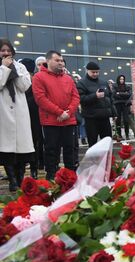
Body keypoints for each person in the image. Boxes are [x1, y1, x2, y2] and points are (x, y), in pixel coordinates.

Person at [32, 50, 80, 180]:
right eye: (57, 60)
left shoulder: (68, 78)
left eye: (61, 60)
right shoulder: (38, 77)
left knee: (70, 149)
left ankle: (71, 175)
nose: (60, 63)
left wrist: (68, 113)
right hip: (51, 122)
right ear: (48, 61)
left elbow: (75, 97)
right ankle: (52, 176)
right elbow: (41, 99)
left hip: (68, 121)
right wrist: (60, 112)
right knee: (52, 150)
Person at [0, 40, 35, 191]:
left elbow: (25, 86)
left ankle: (20, 179)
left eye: (8, 50)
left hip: (20, 111)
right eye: (3, 50)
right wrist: (4, 68)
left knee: (22, 148)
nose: (6, 53)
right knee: (7, 149)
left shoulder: (21, 67)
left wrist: (14, 69)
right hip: (3, 112)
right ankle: (12, 181)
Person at [76, 62, 116, 147]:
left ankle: (108, 160)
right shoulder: (81, 83)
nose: (95, 74)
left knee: (107, 143)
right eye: (93, 72)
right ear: (87, 71)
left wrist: (114, 113)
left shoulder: (104, 82)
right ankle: (94, 160)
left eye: (97, 72)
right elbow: (81, 99)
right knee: (93, 143)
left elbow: (110, 98)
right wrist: (95, 96)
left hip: (104, 117)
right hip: (91, 118)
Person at [113, 74, 135, 140]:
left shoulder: (127, 86)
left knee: (126, 120)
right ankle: (119, 135)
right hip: (118, 104)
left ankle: (127, 135)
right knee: (118, 120)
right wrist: (124, 94)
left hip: (125, 104)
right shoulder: (115, 86)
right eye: (120, 79)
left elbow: (129, 94)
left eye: (123, 79)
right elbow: (114, 95)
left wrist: (119, 93)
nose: (122, 80)